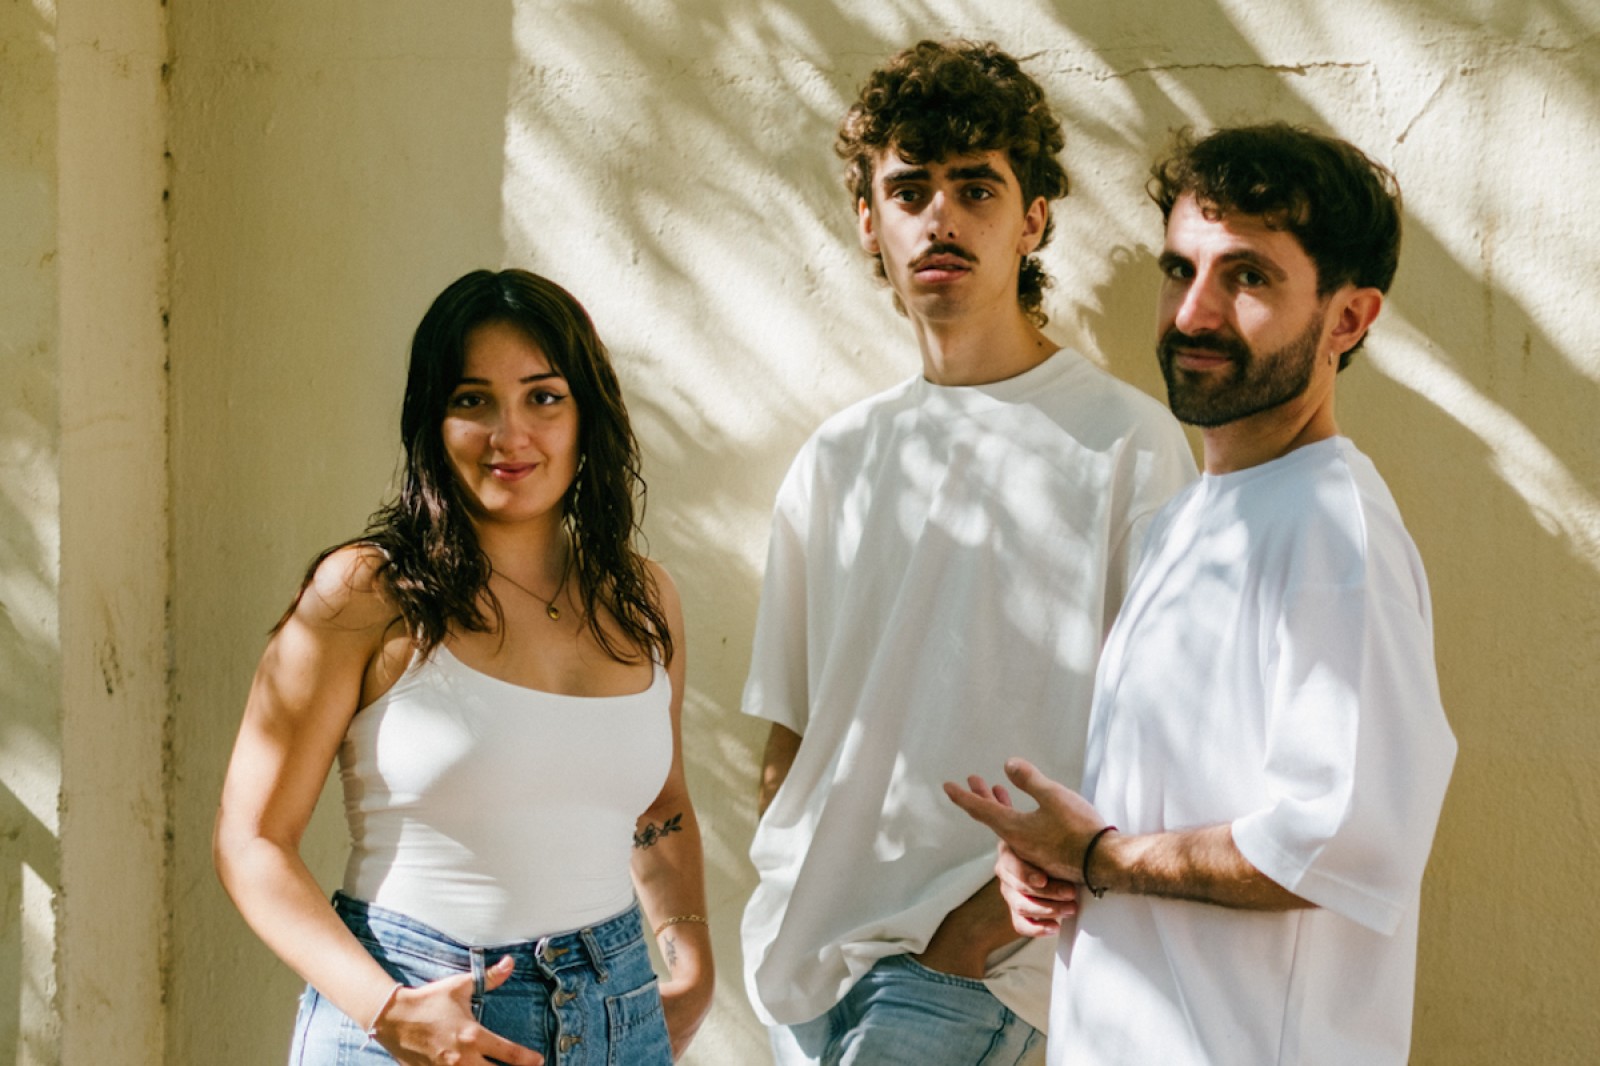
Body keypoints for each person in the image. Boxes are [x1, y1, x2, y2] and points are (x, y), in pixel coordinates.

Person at [948, 124, 1458, 1065]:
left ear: (1348, 320)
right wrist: (1064, 861)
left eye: (1247, 277)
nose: (1193, 313)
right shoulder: (1192, 516)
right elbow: (1171, 806)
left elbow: (1331, 842)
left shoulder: (1332, 530)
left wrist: (1097, 857)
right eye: (1181, 270)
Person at [740, 40, 1196, 1065]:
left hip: (971, 962)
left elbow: (1163, 740)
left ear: (1032, 218)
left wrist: (978, 936)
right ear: (870, 220)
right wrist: (783, 897)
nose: (940, 218)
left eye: (976, 188)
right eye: (909, 190)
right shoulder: (836, 456)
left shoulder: (1125, 443)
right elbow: (791, 732)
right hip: (803, 967)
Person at [214, 269, 713, 1066]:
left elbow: (660, 801)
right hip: (411, 1008)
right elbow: (251, 841)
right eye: (472, 400)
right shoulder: (367, 594)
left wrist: (692, 963)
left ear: (587, 414)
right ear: (433, 421)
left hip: (618, 1011)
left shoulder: (644, 599)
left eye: (543, 397)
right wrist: (389, 1012)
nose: (509, 435)